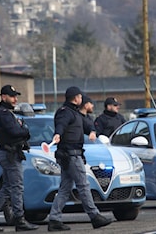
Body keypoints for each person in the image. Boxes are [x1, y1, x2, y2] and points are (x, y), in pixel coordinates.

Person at [48, 86, 112, 232]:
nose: (82, 99)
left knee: (65, 188)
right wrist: (58, 134)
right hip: (70, 155)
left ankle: (54, 219)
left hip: (72, 154)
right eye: (80, 97)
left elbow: (87, 125)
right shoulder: (65, 112)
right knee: (83, 185)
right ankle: (94, 216)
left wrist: (93, 131)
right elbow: (61, 125)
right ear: (76, 98)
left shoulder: (75, 113)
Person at [0, 85, 38, 232]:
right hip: (10, 154)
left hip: (9, 153)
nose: (15, 99)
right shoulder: (4, 114)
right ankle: (19, 220)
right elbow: (15, 132)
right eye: (12, 96)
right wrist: (24, 131)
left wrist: (22, 130)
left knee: (7, 187)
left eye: (16, 96)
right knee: (17, 187)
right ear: (3, 97)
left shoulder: (6, 113)